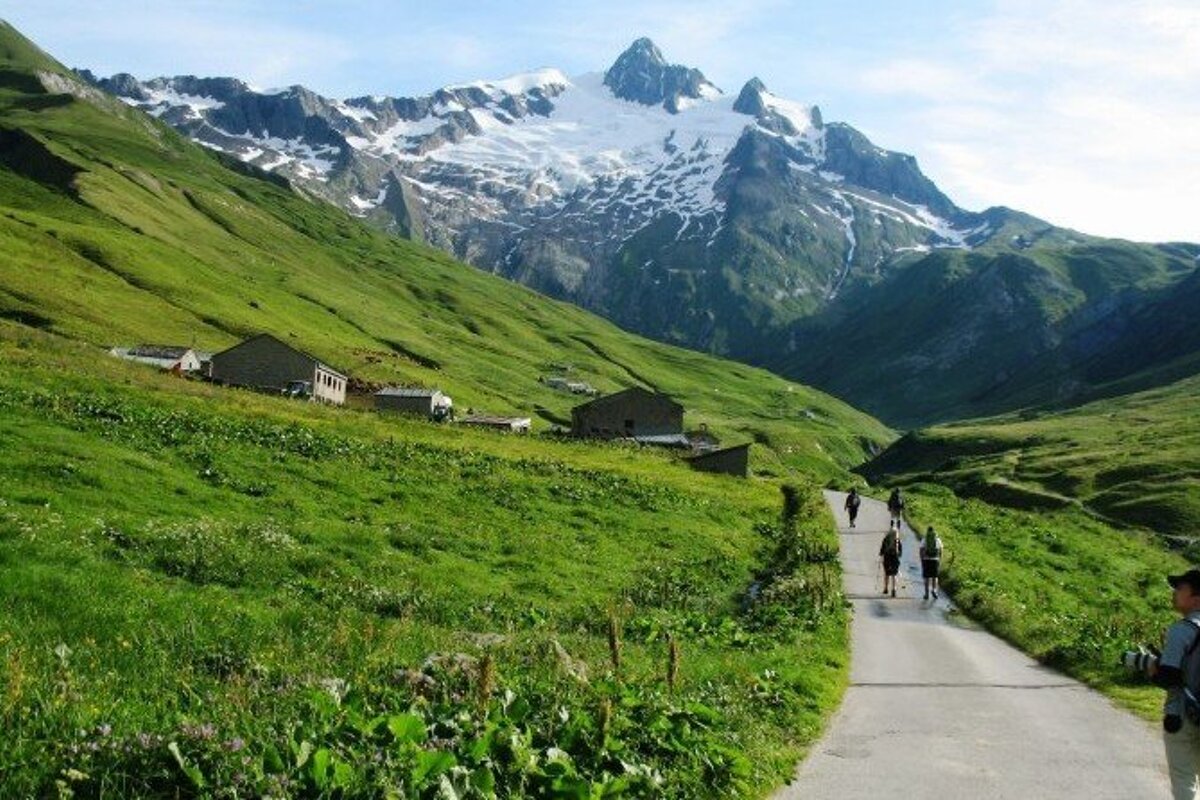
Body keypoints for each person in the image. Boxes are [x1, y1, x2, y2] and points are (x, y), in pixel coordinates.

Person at [1143, 569, 1200, 799]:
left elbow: (1167, 677)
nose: (1174, 592)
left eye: (1180, 588)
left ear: (1196, 598)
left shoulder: (1182, 630)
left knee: (1184, 778)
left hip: (1183, 715)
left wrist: (1152, 668)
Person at [919, 526, 943, 600]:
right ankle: (934, 590)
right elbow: (941, 549)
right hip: (935, 559)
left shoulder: (925, 538)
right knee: (935, 576)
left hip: (926, 559)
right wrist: (939, 559)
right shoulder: (937, 539)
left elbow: (921, 550)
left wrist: (922, 559)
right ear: (934, 531)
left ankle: (926, 594)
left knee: (926, 577)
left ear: (927, 531)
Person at [879, 520, 902, 597]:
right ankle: (894, 589)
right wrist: (898, 555)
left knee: (887, 573)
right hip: (895, 557)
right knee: (894, 574)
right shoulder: (898, 540)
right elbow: (900, 551)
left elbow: (881, 550)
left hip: (887, 557)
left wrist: (881, 554)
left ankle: (885, 588)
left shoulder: (886, 538)